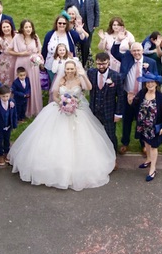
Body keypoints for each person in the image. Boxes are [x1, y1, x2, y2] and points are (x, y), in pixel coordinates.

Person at [9, 58, 118, 190]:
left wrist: (82, 75)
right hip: (60, 110)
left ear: (75, 69)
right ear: (64, 70)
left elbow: (89, 87)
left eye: (72, 68)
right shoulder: (60, 80)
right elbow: (55, 95)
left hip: (77, 111)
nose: (70, 71)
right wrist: (61, 103)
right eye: (68, 69)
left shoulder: (79, 79)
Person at [111, 42, 160, 154]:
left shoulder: (151, 62)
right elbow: (114, 52)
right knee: (126, 120)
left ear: (142, 51)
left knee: (142, 121)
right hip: (127, 94)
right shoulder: (127, 58)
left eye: (138, 50)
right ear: (131, 52)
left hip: (143, 97)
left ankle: (143, 144)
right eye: (134, 51)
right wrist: (118, 41)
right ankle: (125, 143)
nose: (136, 53)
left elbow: (156, 78)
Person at [130, 72, 162, 181]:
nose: (149, 84)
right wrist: (132, 100)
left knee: (153, 146)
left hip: (154, 126)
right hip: (143, 124)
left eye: (152, 82)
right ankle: (148, 159)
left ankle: (153, 169)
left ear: (156, 83)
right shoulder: (142, 92)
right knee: (146, 142)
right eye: (147, 82)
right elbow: (134, 105)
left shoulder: (161, 96)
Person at [87, 52, 123, 151]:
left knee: (110, 136)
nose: (101, 66)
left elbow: (120, 96)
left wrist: (118, 114)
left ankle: (113, 157)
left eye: (104, 64)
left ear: (109, 63)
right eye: (99, 64)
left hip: (109, 112)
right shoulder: (91, 73)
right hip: (94, 111)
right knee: (95, 135)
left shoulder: (116, 76)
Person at [10, 19, 43, 117]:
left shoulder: (35, 37)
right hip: (21, 63)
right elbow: (9, 50)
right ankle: (20, 108)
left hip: (33, 64)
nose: (28, 29)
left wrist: (37, 58)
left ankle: (32, 107)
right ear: (22, 28)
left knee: (32, 83)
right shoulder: (17, 37)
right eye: (26, 27)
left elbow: (39, 51)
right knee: (21, 84)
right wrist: (21, 53)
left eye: (30, 27)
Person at [0, 85, 20, 166]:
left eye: (7, 96)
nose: (5, 98)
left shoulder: (12, 102)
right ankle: (0, 155)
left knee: (7, 140)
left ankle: (6, 152)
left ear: (10, 94)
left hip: (8, 126)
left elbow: (14, 114)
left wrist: (14, 125)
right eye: (3, 96)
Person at [0, 19, 18, 86]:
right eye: (4, 27)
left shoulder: (16, 35)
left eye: (7, 27)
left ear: (11, 27)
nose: (6, 29)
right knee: (5, 79)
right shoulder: (0, 38)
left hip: (16, 59)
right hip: (4, 61)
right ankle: (5, 94)